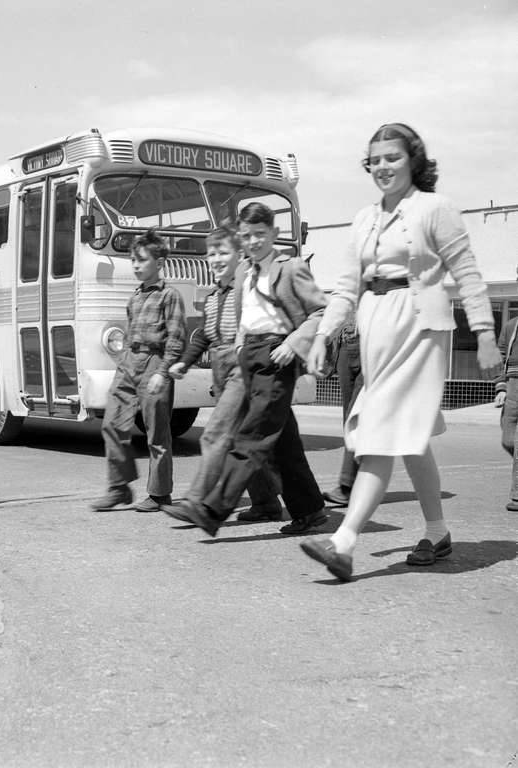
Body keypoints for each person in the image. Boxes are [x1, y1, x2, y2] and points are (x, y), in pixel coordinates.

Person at [302, 123, 502, 581]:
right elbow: (347, 288)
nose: (382, 166)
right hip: (377, 332)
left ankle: (344, 542)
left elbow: (468, 275)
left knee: (381, 435)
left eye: (392, 157)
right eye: (374, 160)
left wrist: (486, 333)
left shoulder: (436, 209)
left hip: (419, 329)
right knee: (410, 440)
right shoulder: (363, 218)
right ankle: (437, 530)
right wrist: (322, 335)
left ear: (413, 159)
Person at [163, 202, 328, 536]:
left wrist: (292, 345)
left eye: (260, 234)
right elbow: (244, 315)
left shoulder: (291, 267)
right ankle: (310, 510)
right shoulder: (243, 272)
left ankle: (211, 510)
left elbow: (320, 312)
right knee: (283, 442)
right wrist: (240, 343)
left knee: (250, 437)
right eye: (247, 235)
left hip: (276, 355)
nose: (253, 241)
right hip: (249, 355)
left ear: (274, 234)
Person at [168, 224, 283, 522]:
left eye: (223, 252)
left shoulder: (245, 290)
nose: (216, 259)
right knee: (239, 440)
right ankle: (266, 502)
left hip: (242, 368)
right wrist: (185, 361)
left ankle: (196, 502)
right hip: (220, 369)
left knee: (215, 434)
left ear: (240, 255)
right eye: (211, 253)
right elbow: (205, 336)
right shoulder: (212, 296)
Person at [91, 229, 186, 513]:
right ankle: (119, 488)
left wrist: (163, 371)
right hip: (129, 362)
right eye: (133, 259)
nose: (135, 265)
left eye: (141, 260)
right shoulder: (134, 297)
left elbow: (176, 337)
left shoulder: (170, 296)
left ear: (159, 262)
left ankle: (159, 494)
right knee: (112, 422)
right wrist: (123, 365)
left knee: (157, 432)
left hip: (155, 364)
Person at [321, 316, 363, 506]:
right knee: (349, 419)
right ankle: (353, 484)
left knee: (358, 417)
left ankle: (347, 485)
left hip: (372, 345)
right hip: (346, 344)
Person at [493, 273, 518, 511]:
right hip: (512, 386)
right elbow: (500, 357)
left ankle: (517, 495)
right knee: (508, 440)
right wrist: (501, 386)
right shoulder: (511, 326)